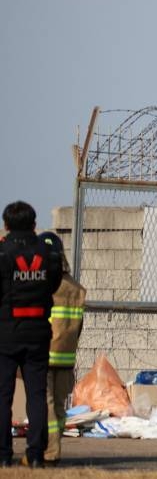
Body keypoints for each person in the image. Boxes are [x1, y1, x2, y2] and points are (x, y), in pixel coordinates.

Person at [0, 201, 63, 468]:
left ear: (6, 225)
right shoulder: (48, 253)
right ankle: (36, 454)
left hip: (6, 332)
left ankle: (3, 455)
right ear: (34, 224)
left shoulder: (2, 252)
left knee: (3, 395)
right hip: (38, 331)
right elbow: (54, 284)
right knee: (37, 393)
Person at [40, 232, 85, 466]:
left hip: (44, 355)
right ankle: (53, 451)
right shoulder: (77, 288)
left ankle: (50, 451)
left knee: (44, 403)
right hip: (66, 358)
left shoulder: (42, 285)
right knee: (58, 406)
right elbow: (78, 328)